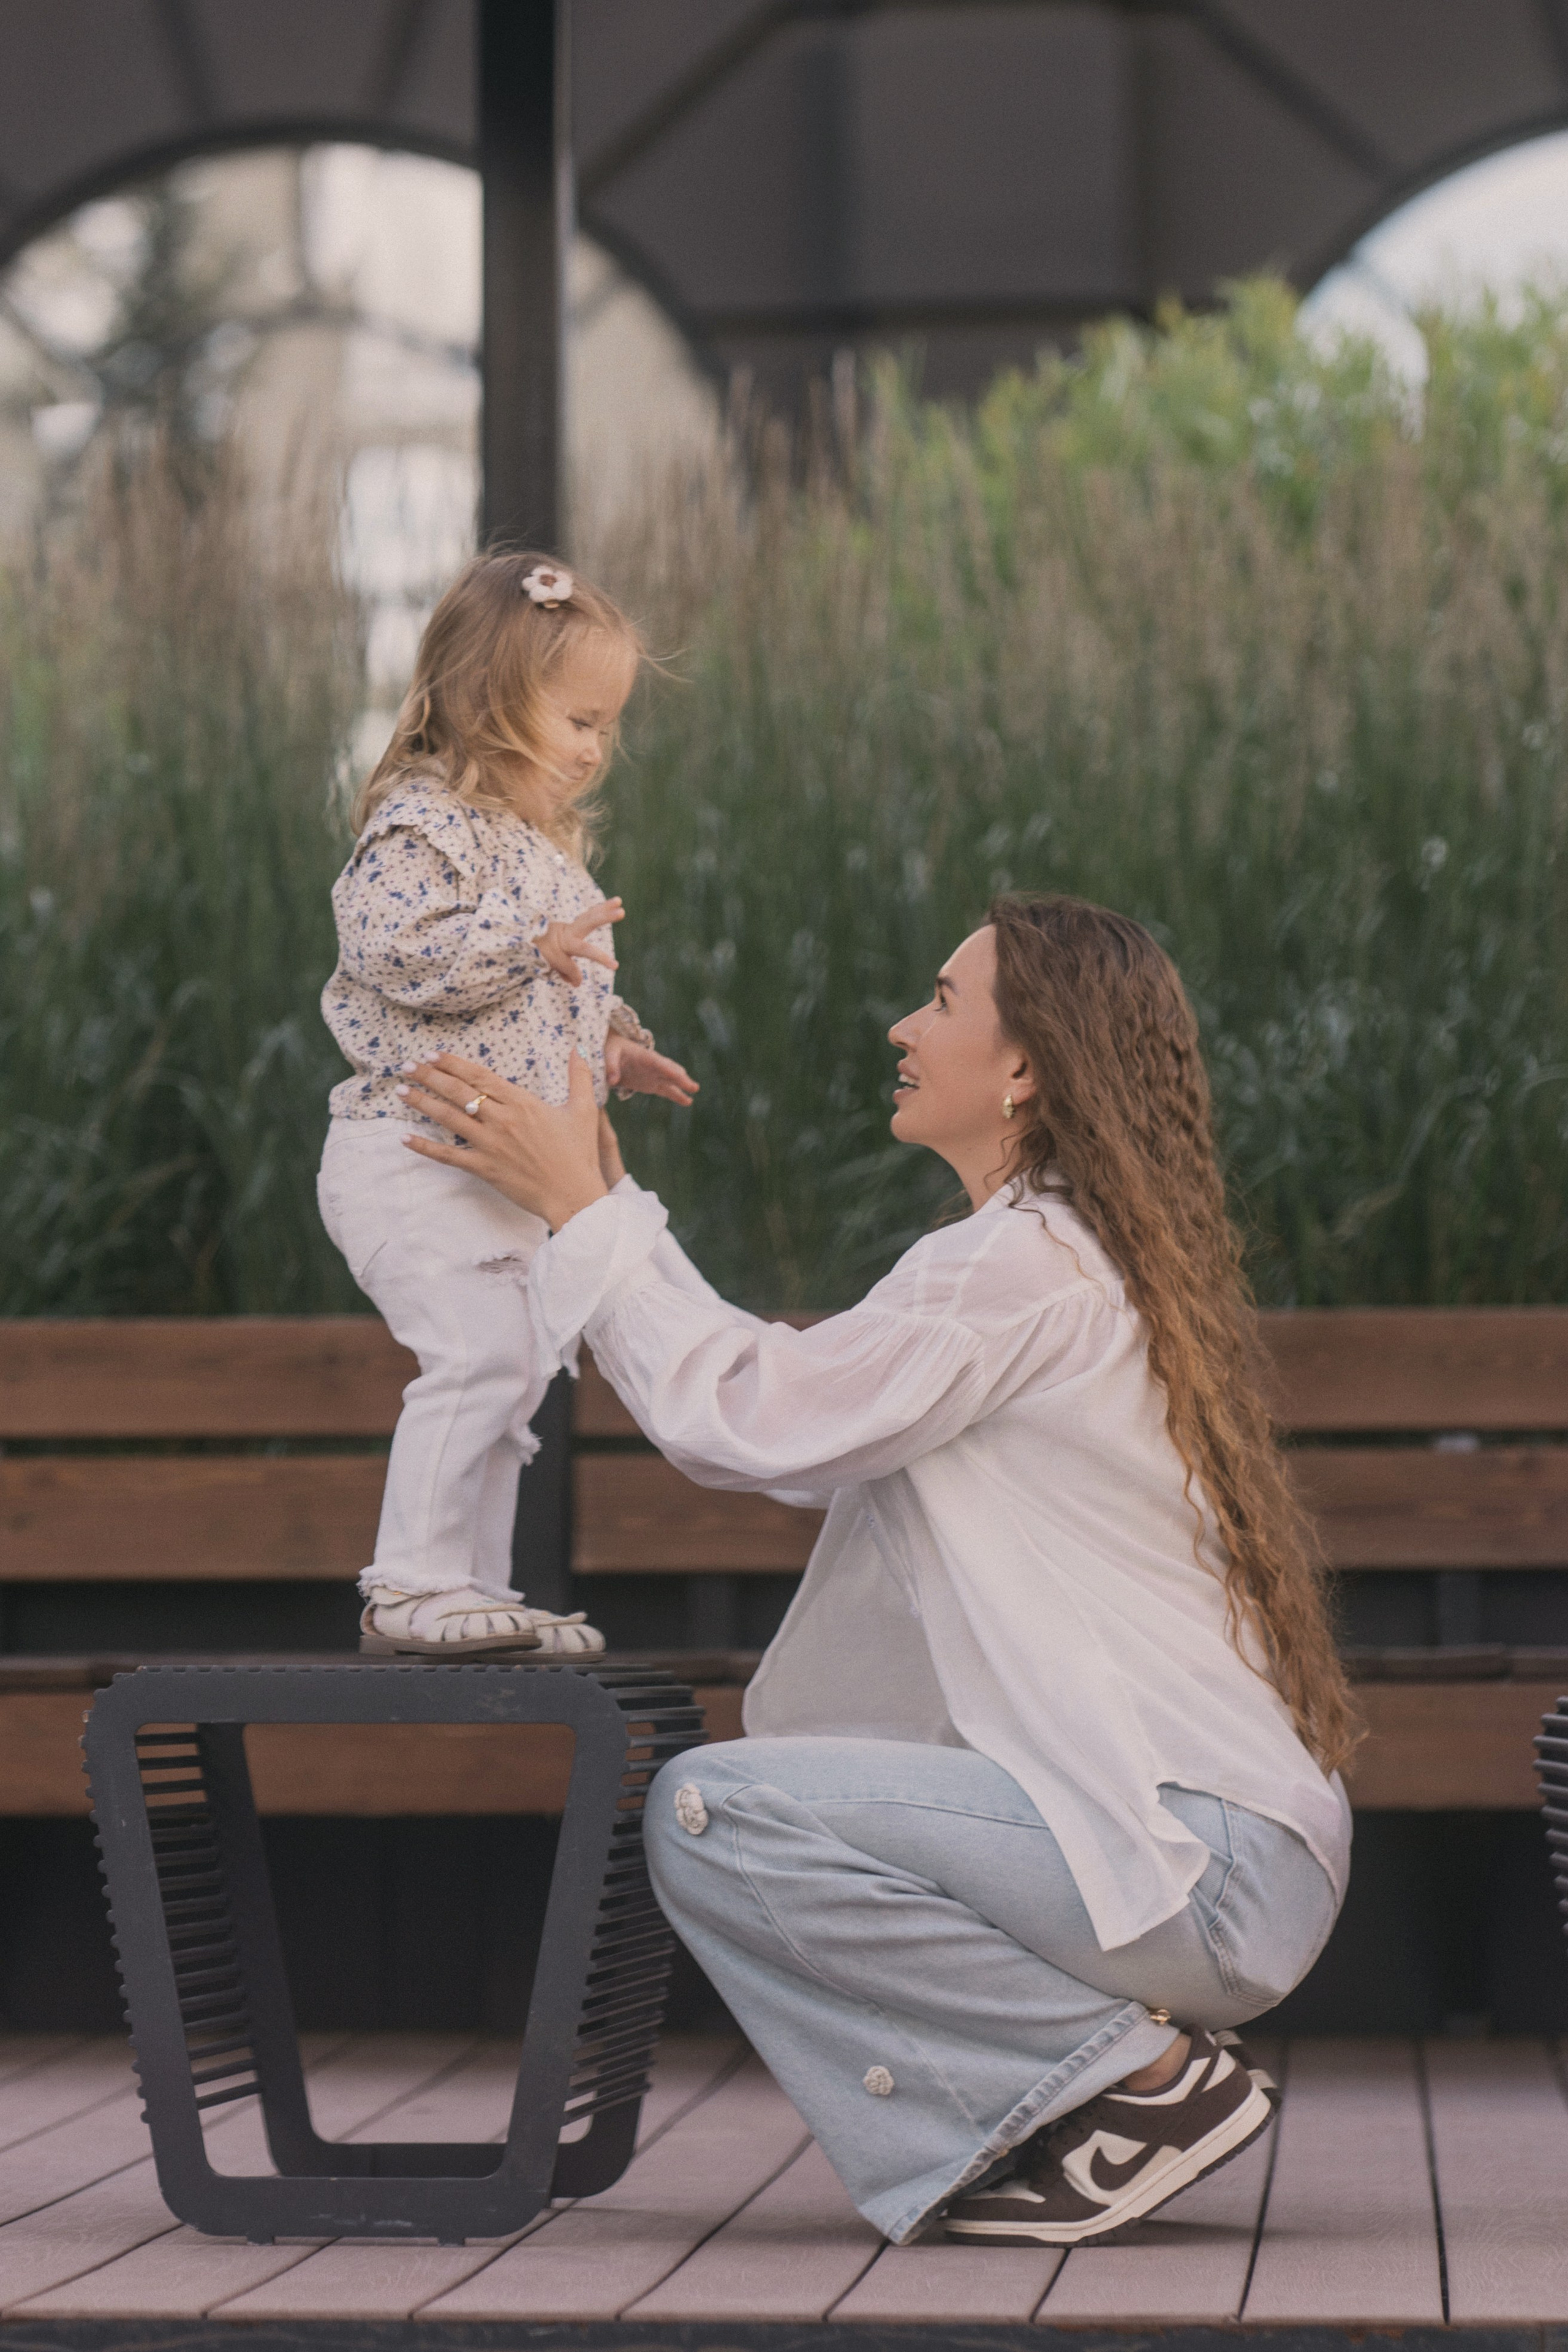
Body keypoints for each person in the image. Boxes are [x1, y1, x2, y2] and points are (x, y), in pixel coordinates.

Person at [394, 892, 1355, 2248]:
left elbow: (749, 1421)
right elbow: (793, 1419)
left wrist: (582, 1209)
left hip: (1196, 1864)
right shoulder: (1051, 1253)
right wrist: (600, 1203)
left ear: (1025, 1068)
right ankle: (1100, 2096)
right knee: (745, 1801)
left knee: (720, 1813)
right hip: (1228, 1856)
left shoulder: (1016, 1266)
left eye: (943, 1002)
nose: (905, 1027)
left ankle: (1138, 2085)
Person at [318, 551, 698, 1657]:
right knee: (479, 1357)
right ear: (488, 702)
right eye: (576, 720)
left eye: (604, 728)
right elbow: (391, 950)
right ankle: (411, 1587)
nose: (593, 750)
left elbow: (547, 996)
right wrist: (533, 944)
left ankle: (473, 1591)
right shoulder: (421, 824)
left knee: (517, 1370)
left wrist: (615, 1044)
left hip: (492, 1169)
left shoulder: (539, 850)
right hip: (411, 1158)